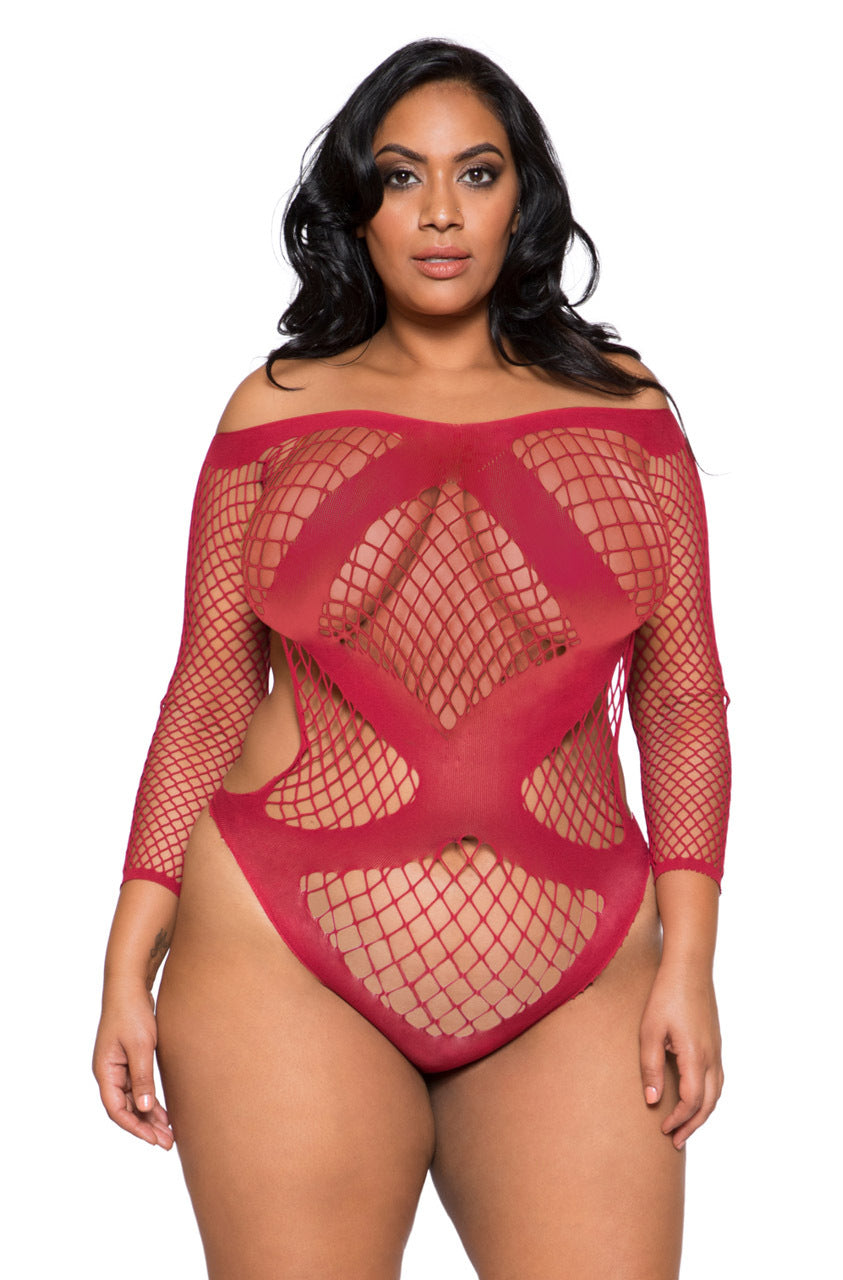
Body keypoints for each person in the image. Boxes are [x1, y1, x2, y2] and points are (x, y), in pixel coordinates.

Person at [93, 37, 730, 1280]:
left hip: (580, 966)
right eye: (401, 176)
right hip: (278, 955)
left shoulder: (626, 409)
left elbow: (683, 696)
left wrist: (692, 963)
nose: (440, 211)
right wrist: (128, 957)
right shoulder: (275, 407)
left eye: (476, 173)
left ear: (522, 198)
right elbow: (209, 691)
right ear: (357, 205)